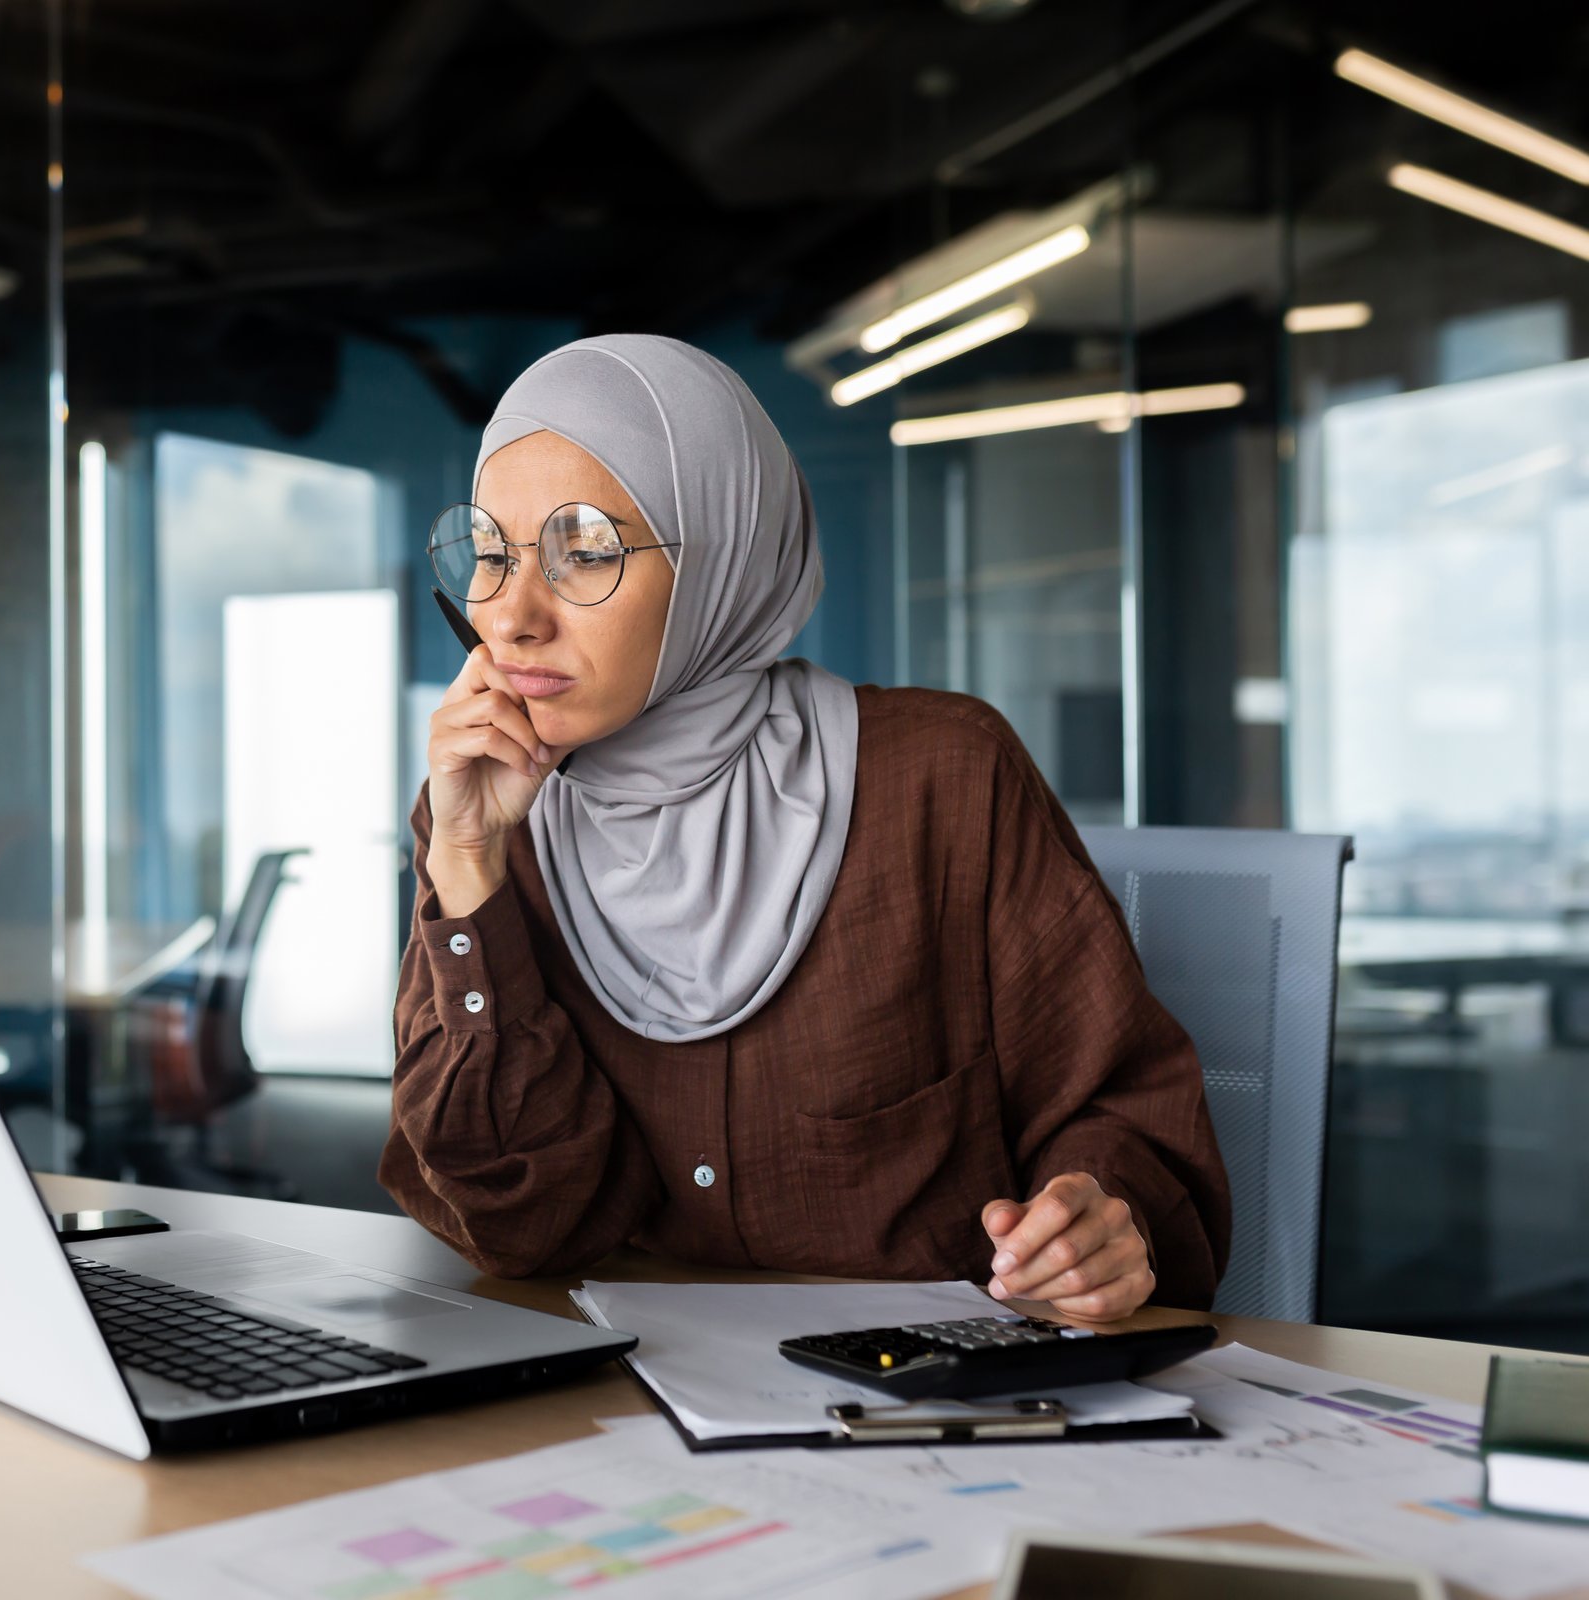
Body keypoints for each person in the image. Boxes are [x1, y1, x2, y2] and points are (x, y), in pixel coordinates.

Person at [380, 334, 1231, 1320]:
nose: (516, 617)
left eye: (587, 552)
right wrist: (468, 865)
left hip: (927, 1417)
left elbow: (1122, 1115)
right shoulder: (488, 809)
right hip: (615, 1404)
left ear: (721, 562)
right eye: (491, 554)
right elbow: (517, 1228)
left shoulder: (942, 778)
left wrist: (1097, 1222)